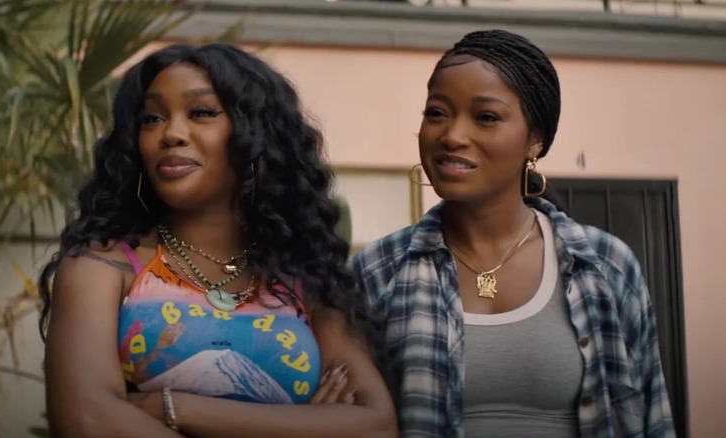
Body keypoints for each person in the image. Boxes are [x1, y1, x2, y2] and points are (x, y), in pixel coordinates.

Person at [38, 43, 396, 438]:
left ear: (256, 133)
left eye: (201, 112)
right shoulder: (103, 266)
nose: (171, 134)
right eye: (152, 118)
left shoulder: (307, 278)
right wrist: (304, 427)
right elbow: (86, 419)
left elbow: (375, 425)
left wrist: (172, 407)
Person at [351, 29, 675, 437]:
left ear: (535, 140)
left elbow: (653, 415)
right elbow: (352, 416)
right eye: (436, 113)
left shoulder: (605, 264)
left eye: (486, 117)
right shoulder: (376, 271)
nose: (452, 135)